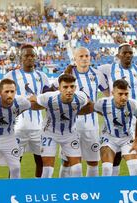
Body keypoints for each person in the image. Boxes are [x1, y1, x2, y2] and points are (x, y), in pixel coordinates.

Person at [98, 43, 137, 176]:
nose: (128, 55)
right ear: (118, 55)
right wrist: (108, 95)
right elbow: (95, 72)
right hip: (117, 119)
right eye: (125, 53)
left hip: (136, 119)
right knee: (116, 157)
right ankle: (114, 187)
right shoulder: (110, 69)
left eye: (130, 53)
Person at [56, 47, 109, 177]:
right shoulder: (66, 75)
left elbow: (108, 94)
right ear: (75, 59)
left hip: (91, 126)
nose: (84, 58)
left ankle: (90, 191)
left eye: (87, 55)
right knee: (68, 161)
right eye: (81, 56)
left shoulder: (98, 74)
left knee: (93, 161)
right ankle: (63, 190)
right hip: (70, 126)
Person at [30, 74, 94, 178]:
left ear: (75, 88)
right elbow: (32, 100)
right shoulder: (49, 97)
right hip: (49, 134)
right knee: (47, 170)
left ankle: (73, 192)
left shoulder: (81, 97)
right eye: (65, 87)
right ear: (59, 88)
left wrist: (78, 112)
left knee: (77, 169)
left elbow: (91, 106)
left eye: (72, 87)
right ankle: (43, 192)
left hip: (70, 134)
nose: (69, 90)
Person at [4, 44, 50, 178]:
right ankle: (12, 192)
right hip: (17, 128)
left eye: (32, 55)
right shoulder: (10, 75)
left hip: (38, 127)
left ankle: (38, 189)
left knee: (41, 161)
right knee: (14, 163)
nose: (30, 58)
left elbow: (47, 101)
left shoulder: (42, 77)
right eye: (26, 55)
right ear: (20, 58)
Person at [95, 79, 137, 176]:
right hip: (109, 138)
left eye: (126, 94)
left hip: (127, 137)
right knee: (107, 168)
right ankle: (107, 190)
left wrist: (136, 142)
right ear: (113, 93)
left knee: (134, 168)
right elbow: (93, 108)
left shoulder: (134, 105)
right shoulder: (102, 103)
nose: (124, 97)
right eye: (120, 94)